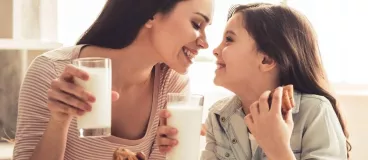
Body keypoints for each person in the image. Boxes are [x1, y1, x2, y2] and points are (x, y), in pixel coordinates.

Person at [13, 0, 213, 159]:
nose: (205, 43)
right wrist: (59, 121)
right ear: (151, 14)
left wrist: (174, 152)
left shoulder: (173, 85)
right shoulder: (51, 71)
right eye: (196, 24)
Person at [157, 3, 351, 160]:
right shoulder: (218, 117)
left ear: (266, 60)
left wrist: (278, 150)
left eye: (229, 40)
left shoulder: (315, 112)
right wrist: (178, 152)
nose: (215, 50)